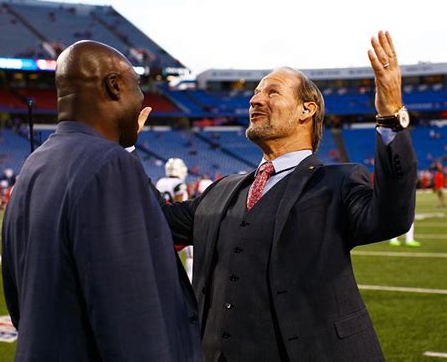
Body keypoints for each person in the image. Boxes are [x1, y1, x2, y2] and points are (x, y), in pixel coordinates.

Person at [153, 31, 417, 361]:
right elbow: (152, 219)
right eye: (255, 93)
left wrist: (391, 115)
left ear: (307, 110)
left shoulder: (338, 182)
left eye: (272, 92)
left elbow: (392, 215)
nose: (255, 100)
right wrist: (124, 145)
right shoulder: (221, 190)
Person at [1, 40, 201, 361]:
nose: (141, 102)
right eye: (138, 89)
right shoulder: (109, 164)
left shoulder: (34, 165)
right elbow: (133, 323)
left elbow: (18, 304)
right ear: (114, 86)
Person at [156, 158, 194, 281]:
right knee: (192, 251)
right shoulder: (179, 184)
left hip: (159, 220)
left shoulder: (161, 181)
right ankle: (190, 279)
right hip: (173, 222)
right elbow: (179, 205)